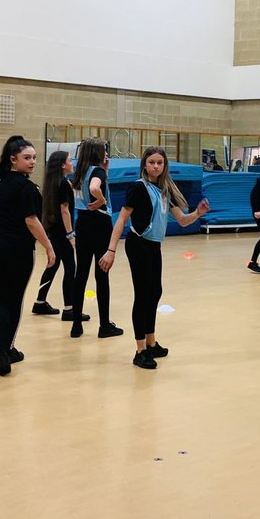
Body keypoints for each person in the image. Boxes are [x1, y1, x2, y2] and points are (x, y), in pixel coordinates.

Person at [100, 146, 211, 369]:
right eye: (152, 162)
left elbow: (182, 221)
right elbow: (121, 219)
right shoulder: (138, 188)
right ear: (145, 164)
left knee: (154, 293)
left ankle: (151, 343)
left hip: (153, 246)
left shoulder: (165, 190)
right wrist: (111, 250)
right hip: (138, 245)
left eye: (160, 163)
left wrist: (198, 213)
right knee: (142, 296)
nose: (156, 166)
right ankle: (140, 350)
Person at [0, 135, 55, 376]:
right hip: (17, 250)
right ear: (13, 159)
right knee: (13, 300)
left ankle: (4, 350)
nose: (32, 162)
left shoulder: (3, 184)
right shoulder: (26, 187)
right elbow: (31, 221)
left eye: (34, 158)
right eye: (27, 158)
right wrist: (49, 247)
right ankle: (7, 349)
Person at [70, 138, 124, 339]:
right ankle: (104, 325)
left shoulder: (79, 172)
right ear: (97, 153)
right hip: (99, 225)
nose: (107, 154)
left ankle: (76, 325)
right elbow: (94, 188)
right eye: (104, 150)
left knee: (81, 274)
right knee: (101, 275)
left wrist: (105, 172)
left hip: (82, 224)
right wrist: (101, 199)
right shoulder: (97, 172)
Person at [32, 150, 85, 322]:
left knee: (52, 266)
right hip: (62, 233)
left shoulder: (52, 183)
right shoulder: (63, 184)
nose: (72, 163)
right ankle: (69, 309)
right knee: (70, 268)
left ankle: (40, 302)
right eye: (69, 160)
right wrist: (70, 234)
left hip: (53, 231)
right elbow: (65, 210)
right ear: (63, 164)